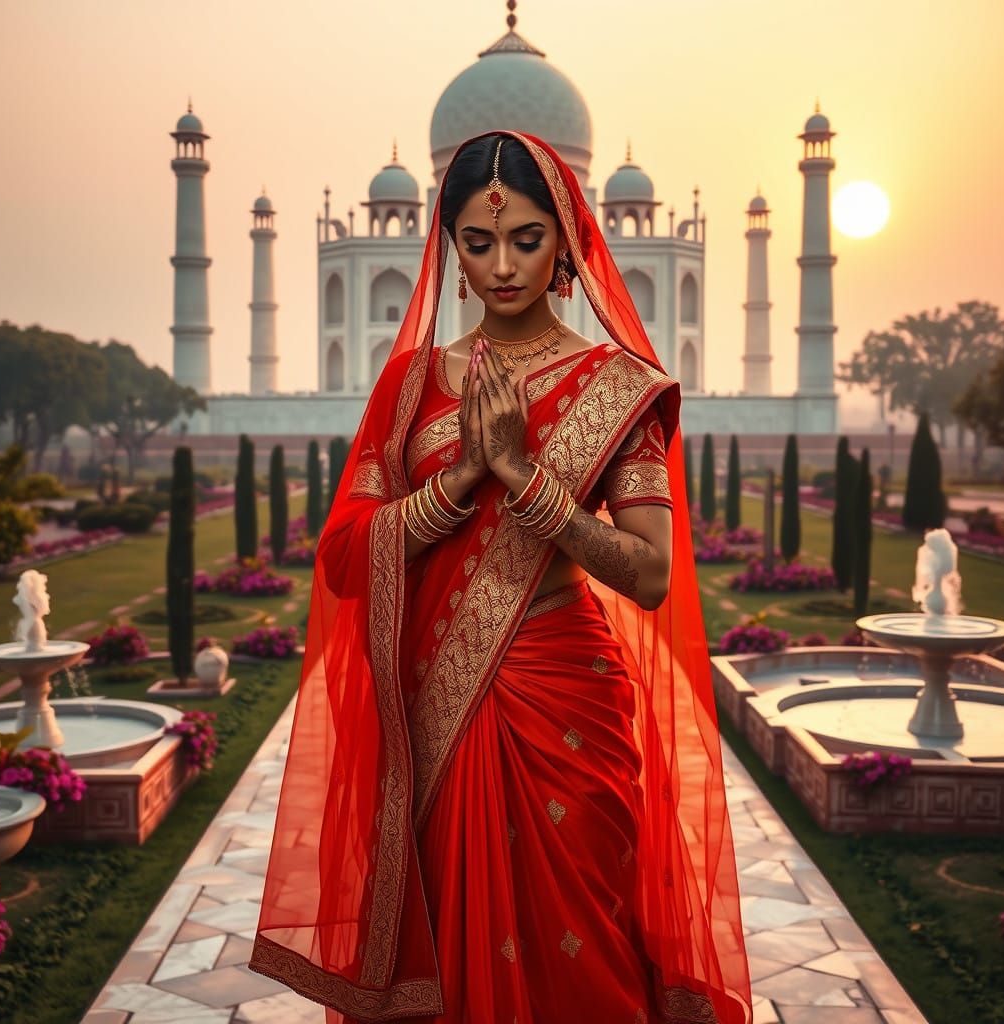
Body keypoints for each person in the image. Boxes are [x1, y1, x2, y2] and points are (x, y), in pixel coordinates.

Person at [250, 130, 752, 1024]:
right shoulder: (410, 387)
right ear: (452, 247)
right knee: (447, 935)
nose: (503, 264)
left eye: (526, 238)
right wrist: (456, 486)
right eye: (479, 244)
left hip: (565, 702)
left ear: (565, 241)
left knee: (584, 941)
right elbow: (340, 559)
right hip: (433, 712)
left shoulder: (617, 386)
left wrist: (526, 480)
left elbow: (648, 576)